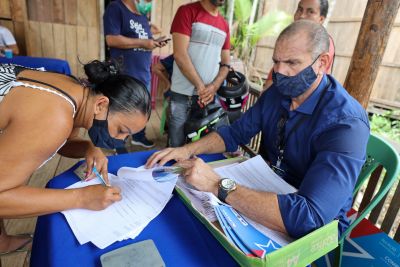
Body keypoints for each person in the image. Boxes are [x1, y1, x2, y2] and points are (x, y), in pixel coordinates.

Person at [146, 20, 370, 239]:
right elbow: (234, 134)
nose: (279, 72)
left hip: (317, 224)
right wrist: (186, 150)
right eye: (276, 61)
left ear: (322, 62)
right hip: (268, 186)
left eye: (292, 63)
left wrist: (218, 185)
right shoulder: (278, 93)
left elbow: (309, 217)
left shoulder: (346, 123)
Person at [0, 60, 151, 255]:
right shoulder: (54, 118)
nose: (120, 140)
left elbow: (60, 142)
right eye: (121, 130)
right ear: (101, 104)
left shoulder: (75, 89)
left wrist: (88, 147)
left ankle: (2, 242)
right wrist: (81, 198)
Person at [104, 0, 167, 151]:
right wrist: (143, 43)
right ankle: (117, 144)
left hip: (143, 73)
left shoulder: (143, 16)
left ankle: (139, 137)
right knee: (120, 110)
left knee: (141, 110)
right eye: (146, 0)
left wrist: (153, 42)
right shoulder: (116, 8)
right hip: (125, 73)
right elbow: (111, 39)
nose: (149, 2)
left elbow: (146, 40)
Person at [168, 0, 231, 147]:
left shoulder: (224, 25)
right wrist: (201, 87)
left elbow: (226, 63)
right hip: (182, 95)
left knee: (201, 145)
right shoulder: (186, 11)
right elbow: (179, 54)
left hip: (208, 98)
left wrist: (214, 86)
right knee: (176, 144)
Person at [263, 0, 334, 91]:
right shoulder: (292, 37)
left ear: (321, 19)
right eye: (300, 10)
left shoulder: (323, 44)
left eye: (310, 12)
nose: (302, 16)